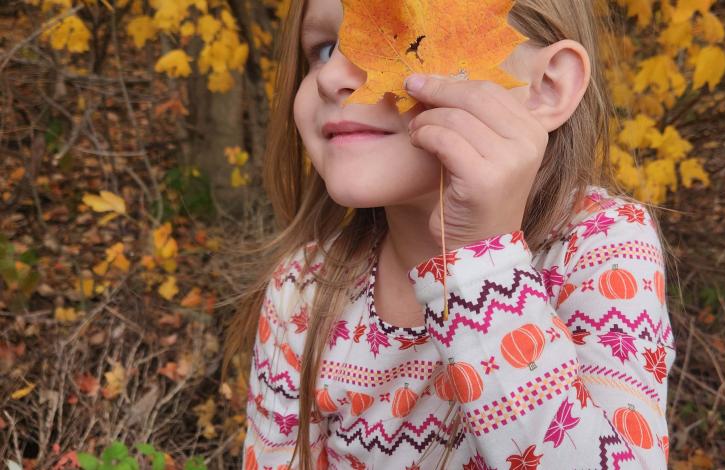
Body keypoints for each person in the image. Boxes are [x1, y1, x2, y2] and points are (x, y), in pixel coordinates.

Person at [224, 0, 677, 468]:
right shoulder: (302, 290)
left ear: (545, 88)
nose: (330, 75)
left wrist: (483, 265)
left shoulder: (601, 246)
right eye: (323, 49)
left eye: (403, 36)